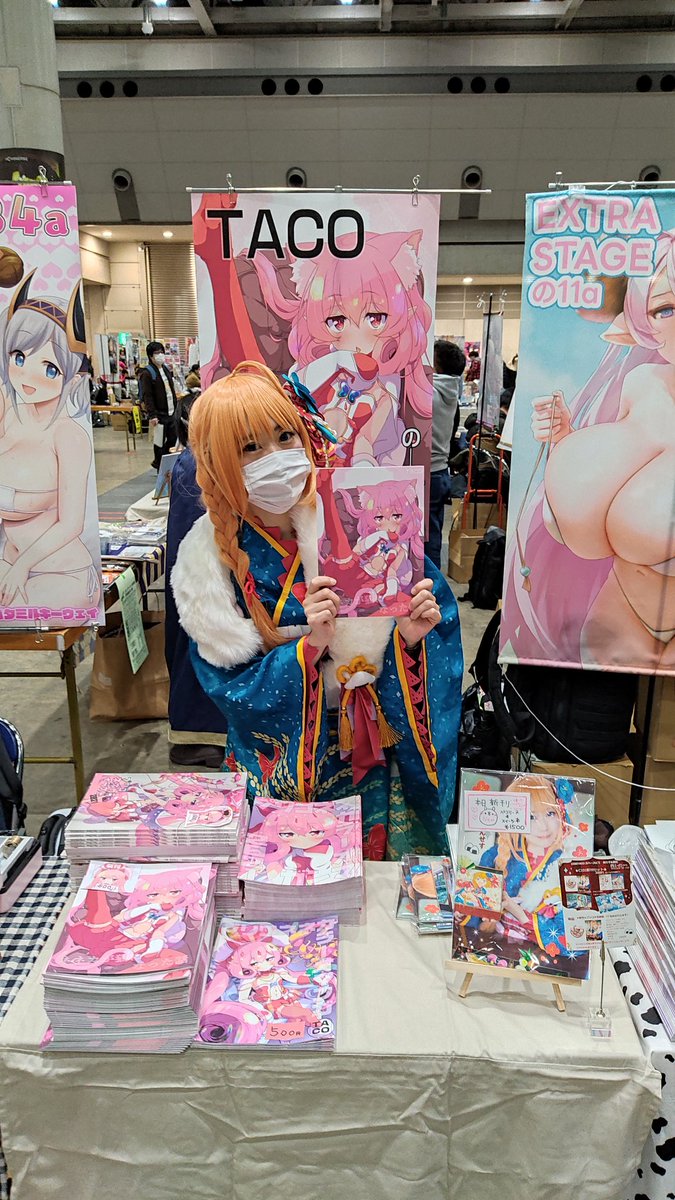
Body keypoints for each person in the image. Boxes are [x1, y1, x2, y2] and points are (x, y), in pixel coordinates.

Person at [171, 361, 463, 858]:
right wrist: (309, 650)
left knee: (371, 884)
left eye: (285, 436)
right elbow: (228, 685)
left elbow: (438, 630)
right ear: (219, 462)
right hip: (286, 760)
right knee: (290, 880)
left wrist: (410, 638)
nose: (276, 457)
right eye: (250, 447)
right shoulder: (207, 561)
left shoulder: (356, 511)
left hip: (372, 743)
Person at [503, 230, 675, 671]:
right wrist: (565, 440)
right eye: (665, 309)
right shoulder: (641, 382)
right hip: (610, 619)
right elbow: (618, 475)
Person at [0, 271, 101, 613]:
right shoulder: (8, 414)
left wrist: (23, 566)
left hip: (61, 574)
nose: (27, 375)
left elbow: (71, 523)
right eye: (19, 357)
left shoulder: (68, 435)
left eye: (49, 368)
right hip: (9, 564)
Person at [165, 390, 228, 769]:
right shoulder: (197, 463)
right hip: (205, 567)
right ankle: (196, 736)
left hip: (208, 563)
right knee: (203, 634)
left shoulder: (195, 460)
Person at [424, 339, 466, 567]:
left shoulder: (428, 393)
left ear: (436, 365)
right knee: (433, 535)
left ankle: (430, 582)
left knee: (423, 538)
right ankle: (434, 581)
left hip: (428, 473)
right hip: (440, 471)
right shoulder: (449, 392)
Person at [138, 341, 178, 470]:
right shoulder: (147, 373)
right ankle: (159, 465)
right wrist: (152, 415)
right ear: (151, 356)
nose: (160, 355)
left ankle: (164, 462)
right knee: (159, 442)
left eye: (162, 352)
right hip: (159, 414)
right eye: (157, 353)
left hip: (171, 411)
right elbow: (147, 395)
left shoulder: (165, 369)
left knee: (173, 438)